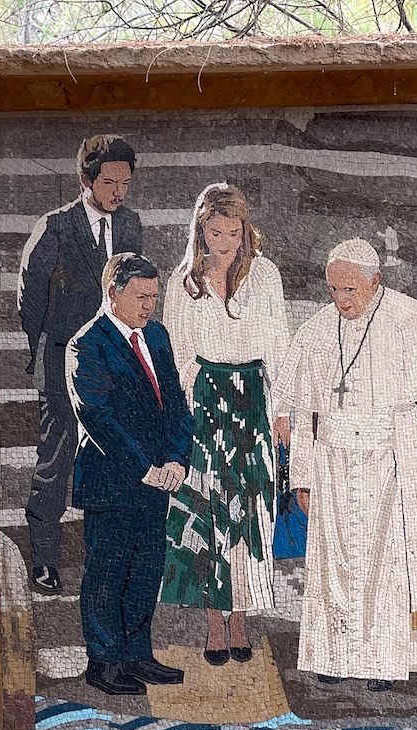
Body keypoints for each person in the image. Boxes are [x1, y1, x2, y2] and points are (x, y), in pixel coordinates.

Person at [275, 239, 417, 691]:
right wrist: (302, 477)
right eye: (333, 290)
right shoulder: (317, 331)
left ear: (376, 282)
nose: (341, 300)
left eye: (350, 290)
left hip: (390, 463)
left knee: (386, 569)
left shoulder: (412, 321)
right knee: (332, 565)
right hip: (332, 465)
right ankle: (333, 656)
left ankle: (382, 661)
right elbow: (305, 413)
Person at [158, 184, 291, 666]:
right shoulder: (184, 282)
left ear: (245, 231)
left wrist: (282, 411)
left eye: (233, 233)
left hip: (254, 396)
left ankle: (243, 619)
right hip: (205, 399)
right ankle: (215, 619)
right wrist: (184, 415)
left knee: (250, 511)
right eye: (215, 232)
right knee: (206, 510)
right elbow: (175, 353)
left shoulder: (266, 276)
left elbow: (279, 342)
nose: (224, 242)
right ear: (200, 230)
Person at [18, 134, 143, 595]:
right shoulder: (54, 227)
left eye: (125, 183)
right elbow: (30, 301)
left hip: (112, 365)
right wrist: (48, 354)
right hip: (58, 364)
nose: (118, 192)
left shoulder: (130, 226)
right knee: (55, 462)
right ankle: (45, 560)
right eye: (109, 182)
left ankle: (105, 562)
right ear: (84, 178)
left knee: (113, 459)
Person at [69, 254, 193, 697]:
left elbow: (177, 405)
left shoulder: (157, 337)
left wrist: (178, 460)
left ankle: (138, 654)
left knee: (145, 570)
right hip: (113, 481)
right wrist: (146, 469)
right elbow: (98, 419)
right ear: (113, 293)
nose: (148, 306)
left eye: (154, 297)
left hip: (160, 480)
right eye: (140, 297)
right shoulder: (87, 344)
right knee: (107, 572)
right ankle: (105, 662)